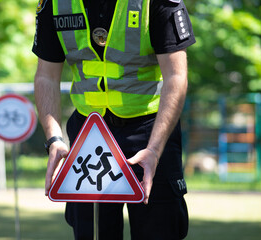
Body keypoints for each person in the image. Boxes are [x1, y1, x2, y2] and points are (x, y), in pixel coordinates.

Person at [32, 0, 196, 239]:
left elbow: (176, 76)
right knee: (92, 232)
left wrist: (155, 149)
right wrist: (54, 137)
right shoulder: (56, 3)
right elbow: (46, 75)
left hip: (150, 133)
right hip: (88, 136)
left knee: (160, 230)